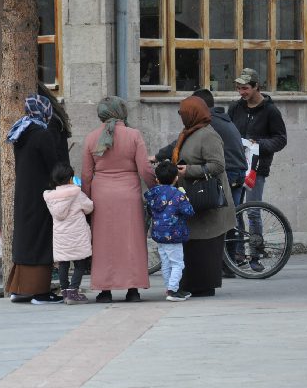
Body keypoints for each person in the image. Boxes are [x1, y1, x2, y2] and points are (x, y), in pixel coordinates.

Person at [82, 96, 155, 303]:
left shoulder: (91, 138)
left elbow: (86, 175)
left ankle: (105, 290)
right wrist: (156, 189)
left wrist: (86, 200)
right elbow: (145, 169)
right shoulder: (134, 135)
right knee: (132, 241)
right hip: (129, 195)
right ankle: (133, 289)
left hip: (101, 196)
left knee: (103, 243)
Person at [173, 96, 236, 297]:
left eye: (183, 113)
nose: (181, 116)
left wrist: (188, 170)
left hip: (208, 199)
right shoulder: (190, 132)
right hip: (195, 199)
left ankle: (204, 286)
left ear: (193, 114)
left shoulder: (208, 135)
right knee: (194, 245)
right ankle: (194, 284)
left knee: (206, 246)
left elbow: (217, 165)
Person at [228, 68, 287, 272]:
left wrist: (258, 145)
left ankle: (255, 255)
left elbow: (280, 139)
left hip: (256, 168)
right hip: (236, 166)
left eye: (245, 88)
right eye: (238, 88)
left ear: (256, 87)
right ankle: (237, 254)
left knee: (253, 211)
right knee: (235, 211)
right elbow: (227, 131)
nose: (241, 92)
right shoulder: (235, 107)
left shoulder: (271, 111)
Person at [6, 95, 62, 304]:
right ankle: (40, 292)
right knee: (40, 239)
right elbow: (53, 166)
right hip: (40, 195)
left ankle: (20, 289)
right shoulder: (42, 134)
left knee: (25, 238)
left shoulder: (21, 131)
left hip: (24, 194)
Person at [144, 161, 195, 302]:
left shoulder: (153, 194)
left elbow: (150, 211)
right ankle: (173, 291)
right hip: (174, 235)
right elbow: (189, 211)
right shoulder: (178, 194)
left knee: (166, 263)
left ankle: (169, 288)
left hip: (159, 234)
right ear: (176, 178)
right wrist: (186, 198)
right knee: (177, 264)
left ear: (157, 179)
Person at [43, 162, 93, 305]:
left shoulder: (51, 197)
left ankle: (64, 291)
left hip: (61, 237)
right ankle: (73, 291)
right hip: (77, 236)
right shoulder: (77, 193)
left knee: (63, 264)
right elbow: (89, 207)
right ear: (71, 178)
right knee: (80, 264)